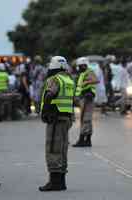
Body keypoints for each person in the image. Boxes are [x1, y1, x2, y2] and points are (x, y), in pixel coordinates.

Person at [39, 56, 74, 191]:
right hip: (66, 118)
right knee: (62, 149)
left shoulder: (55, 79)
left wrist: (45, 112)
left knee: (53, 149)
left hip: (55, 119)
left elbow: (49, 94)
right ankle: (61, 182)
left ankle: (54, 183)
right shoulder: (68, 79)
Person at [72, 57, 99, 147]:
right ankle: (88, 140)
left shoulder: (89, 72)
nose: (79, 68)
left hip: (87, 98)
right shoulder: (83, 73)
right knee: (86, 119)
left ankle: (81, 139)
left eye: (80, 66)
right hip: (83, 98)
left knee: (85, 119)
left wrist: (86, 82)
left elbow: (96, 80)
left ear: (83, 65)